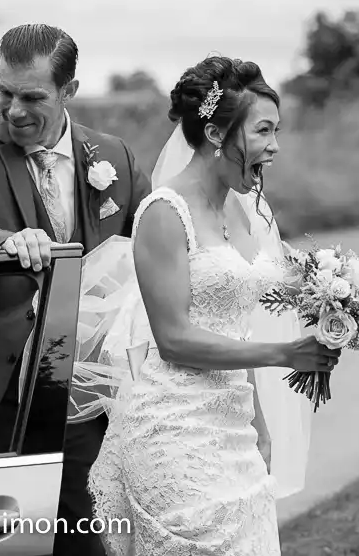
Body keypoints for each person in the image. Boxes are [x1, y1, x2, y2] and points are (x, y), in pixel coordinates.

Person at [78, 55, 339, 555]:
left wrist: (259, 422)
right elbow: (174, 339)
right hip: (172, 436)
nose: (275, 146)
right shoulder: (163, 213)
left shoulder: (243, 211)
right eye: (263, 131)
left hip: (234, 429)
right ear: (218, 133)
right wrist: (285, 355)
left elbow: (235, 326)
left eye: (276, 130)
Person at [0, 23, 152, 556]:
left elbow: (152, 253)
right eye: (4, 93)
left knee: (87, 543)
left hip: (91, 404)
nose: (14, 110)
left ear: (68, 91)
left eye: (32, 97)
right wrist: (8, 239)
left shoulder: (114, 156)